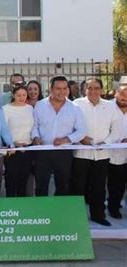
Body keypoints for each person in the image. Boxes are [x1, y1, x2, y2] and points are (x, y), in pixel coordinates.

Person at [72, 78, 122, 226]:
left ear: (101, 89)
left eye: (96, 88)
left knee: (99, 187)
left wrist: (105, 143)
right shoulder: (76, 105)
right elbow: (70, 125)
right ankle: (76, 217)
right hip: (81, 153)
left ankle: (98, 215)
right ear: (84, 89)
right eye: (89, 88)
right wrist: (80, 138)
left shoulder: (110, 107)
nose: (93, 91)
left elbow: (117, 129)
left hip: (102, 154)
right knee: (78, 187)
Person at [31, 76, 86, 196]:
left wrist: (66, 140)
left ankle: (58, 213)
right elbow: (34, 126)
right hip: (42, 151)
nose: (62, 92)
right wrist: (36, 138)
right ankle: (42, 212)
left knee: (62, 186)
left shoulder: (75, 108)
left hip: (64, 152)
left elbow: (81, 131)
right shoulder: (40, 105)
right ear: (51, 89)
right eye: (58, 88)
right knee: (41, 185)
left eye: (64, 88)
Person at [2, 85, 34, 197]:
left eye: (24, 95)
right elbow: (3, 129)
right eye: (18, 95)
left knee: (23, 181)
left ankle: (22, 209)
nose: (21, 98)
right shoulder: (6, 109)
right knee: (11, 180)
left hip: (27, 149)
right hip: (13, 149)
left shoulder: (30, 108)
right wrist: (13, 143)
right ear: (13, 95)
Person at [108, 84, 127, 220]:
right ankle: (113, 208)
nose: (125, 97)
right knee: (116, 184)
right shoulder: (107, 107)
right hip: (112, 153)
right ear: (115, 94)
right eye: (122, 94)